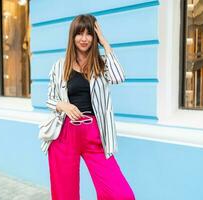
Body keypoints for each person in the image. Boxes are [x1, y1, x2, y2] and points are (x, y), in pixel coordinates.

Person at [44, 14, 135, 200]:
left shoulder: (100, 65)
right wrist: (63, 105)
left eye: (89, 34)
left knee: (121, 194)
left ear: (94, 37)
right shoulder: (59, 66)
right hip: (65, 134)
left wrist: (105, 43)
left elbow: (119, 77)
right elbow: (50, 99)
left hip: (94, 133)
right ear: (72, 37)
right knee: (64, 195)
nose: (84, 39)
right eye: (79, 34)